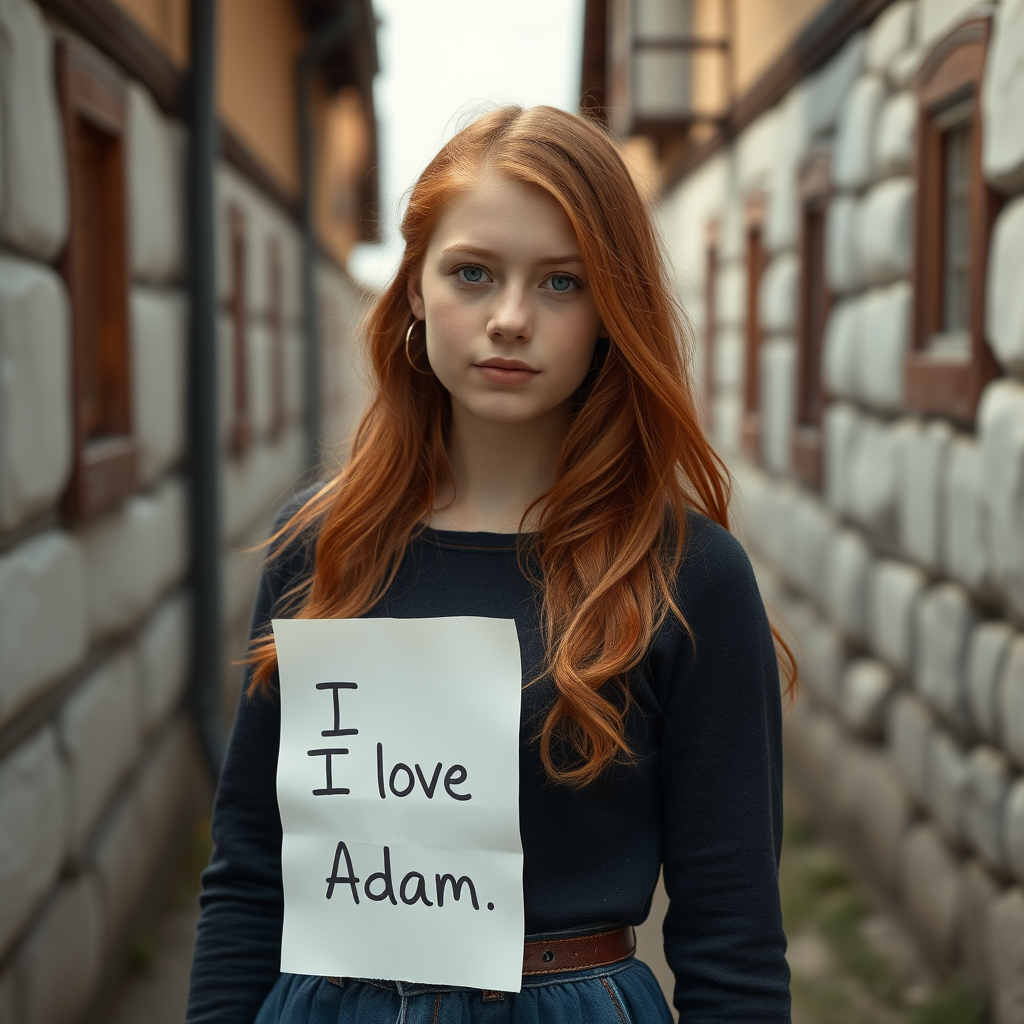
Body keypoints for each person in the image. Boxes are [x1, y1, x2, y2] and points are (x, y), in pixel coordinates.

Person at [186, 105, 794, 1024]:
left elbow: (734, 938)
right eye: (473, 272)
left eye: (562, 282)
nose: (510, 318)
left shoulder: (688, 574)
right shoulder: (320, 547)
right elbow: (247, 874)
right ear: (417, 289)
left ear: (610, 309)